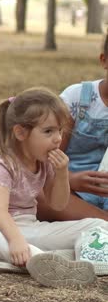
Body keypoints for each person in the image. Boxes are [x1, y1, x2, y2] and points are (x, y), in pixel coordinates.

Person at [0, 88, 105, 287]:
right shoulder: (2, 165)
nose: (58, 138)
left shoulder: (44, 163)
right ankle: (56, 267)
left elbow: (58, 205)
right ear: (21, 132)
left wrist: (61, 174)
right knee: (12, 247)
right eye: (48, 131)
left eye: (60, 130)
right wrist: (16, 241)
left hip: (30, 227)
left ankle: (81, 255)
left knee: (98, 225)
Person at [38, 34, 108, 221]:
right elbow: (42, 163)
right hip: (69, 192)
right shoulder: (77, 98)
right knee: (36, 194)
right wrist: (71, 179)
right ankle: (101, 223)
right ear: (104, 60)